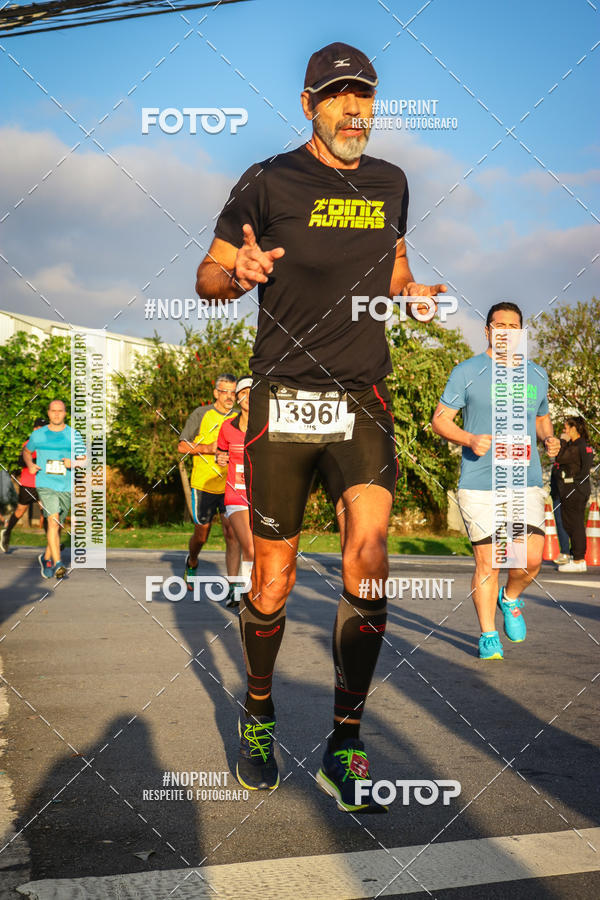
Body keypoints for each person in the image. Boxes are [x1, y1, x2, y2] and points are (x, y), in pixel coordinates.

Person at [195, 41, 446, 812]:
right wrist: (236, 275)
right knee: (272, 579)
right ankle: (259, 714)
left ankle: (345, 741)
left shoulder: (392, 182)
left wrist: (410, 293)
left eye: (362, 94)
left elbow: (393, 263)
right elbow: (207, 276)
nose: (352, 108)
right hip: (281, 396)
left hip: (361, 395)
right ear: (309, 104)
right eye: (336, 95)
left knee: (369, 554)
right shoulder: (267, 180)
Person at [432, 302, 561, 660]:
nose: (505, 331)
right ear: (488, 331)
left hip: (524, 481)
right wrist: (469, 439)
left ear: (521, 333)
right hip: (479, 483)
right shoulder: (467, 372)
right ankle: (488, 635)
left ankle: (511, 597)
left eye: (512, 326)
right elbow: (440, 420)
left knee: (528, 561)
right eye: (498, 325)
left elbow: (541, 418)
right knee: (488, 563)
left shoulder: (536, 374)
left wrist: (549, 438)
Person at [177, 374, 241, 603]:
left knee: (232, 533)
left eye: (233, 392)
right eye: (225, 392)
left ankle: (233, 586)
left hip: (230, 484)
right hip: (203, 484)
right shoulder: (201, 414)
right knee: (201, 535)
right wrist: (209, 448)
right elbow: (182, 446)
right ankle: (192, 561)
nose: (230, 397)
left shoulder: (239, 417)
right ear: (216, 393)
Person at [23, 401, 85, 579]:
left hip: (66, 486)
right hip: (45, 484)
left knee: (57, 526)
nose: (56, 414)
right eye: (53, 411)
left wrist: (74, 463)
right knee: (53, 521)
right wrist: (30, 464)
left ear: (65, 413)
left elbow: (85, 459)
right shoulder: (38, 434)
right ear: (48, 413)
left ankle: (46, 558)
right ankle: (58, 564)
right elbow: (26, 451)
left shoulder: (73, 435)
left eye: (60, 411)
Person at [216, 376, 254, 608]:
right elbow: (220, 453)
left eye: (252, 392)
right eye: (243, 393)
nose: (248, 397)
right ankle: (246, 596)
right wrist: (220, 458)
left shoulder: (266, 427)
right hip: (236, 495)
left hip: (260, 497)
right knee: (248, 546)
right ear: (238, 397)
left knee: (260, 549)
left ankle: (250, 591)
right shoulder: (227, 427)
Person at [1, 418, 48, 553]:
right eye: (38, 428)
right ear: (34, 429)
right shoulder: (28, 444)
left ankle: (52, 542)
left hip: (43, 484)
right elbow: (21, 461)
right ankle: (7, 532)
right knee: (21, 510)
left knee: (46, 511)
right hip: (28, 484)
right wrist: (36, 461)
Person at [555, 417, 594, 573]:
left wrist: (562, 441)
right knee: (572, 523)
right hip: (579, 489)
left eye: (566, 428)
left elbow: (559, 457)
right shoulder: (584, 446)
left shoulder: (577, 446)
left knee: (574, 524)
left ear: (574, 428)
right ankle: (577, 557)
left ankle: (578, 560)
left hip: (574, 489)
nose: (564, 431)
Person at [550, 450, 571, 565]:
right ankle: (565, 552)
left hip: (565, 497)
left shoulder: (568, 464)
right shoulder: (556, 465)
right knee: (560, 524)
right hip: (557, 496)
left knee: (568, 524)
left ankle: (569, 553)